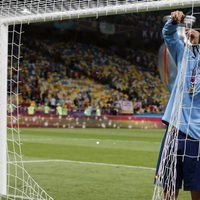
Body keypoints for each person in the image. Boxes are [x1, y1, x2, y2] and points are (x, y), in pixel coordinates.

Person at [155, 11, 200, 200]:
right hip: (175, 130)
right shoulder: (183, 54)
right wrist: (175, 22)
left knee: (197, 189)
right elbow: (169, 36)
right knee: (169, 186)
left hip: (197, 135)